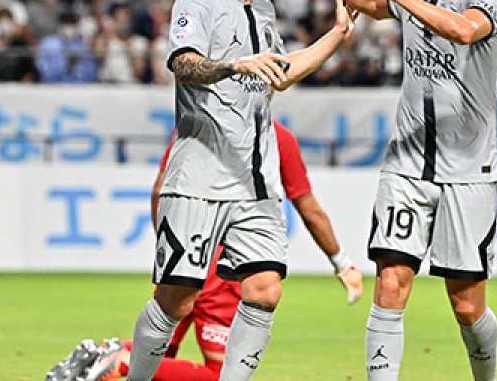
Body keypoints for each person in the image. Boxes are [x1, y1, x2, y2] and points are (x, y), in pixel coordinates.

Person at [273, 0, 497, 380]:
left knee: (466, 307)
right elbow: (374, 4)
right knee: (391, 284)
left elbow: (462, 31)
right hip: (406, 163)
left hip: (467, 171)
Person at [128, 0, 356, 381]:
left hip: (254, 182)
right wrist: (234, 64)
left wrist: (335, 36)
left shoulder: (267, 11)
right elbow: (184, 65)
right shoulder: (197, 0)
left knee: (265, 288)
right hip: (198, 177)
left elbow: (281, 72)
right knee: (177, 299)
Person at [46, 121, 364, 381]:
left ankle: (104, 352)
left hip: (184, 253)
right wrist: (342, 262)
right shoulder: (277, 137)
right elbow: (307, 205)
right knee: (220, 373)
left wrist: (170, 249)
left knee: (160, 352)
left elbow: (160, 188)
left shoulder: (195, 123)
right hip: (226, 266)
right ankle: (119, 360)